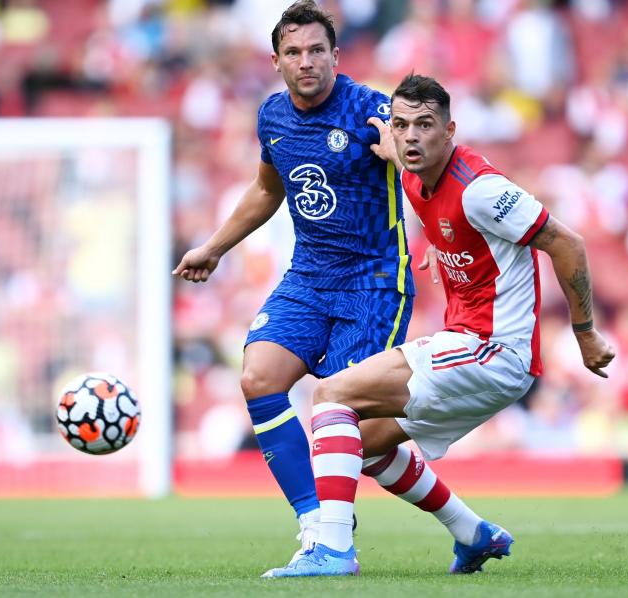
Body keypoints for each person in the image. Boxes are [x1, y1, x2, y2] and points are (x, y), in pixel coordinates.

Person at [264, 74, 616, 577]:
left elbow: (567, 244)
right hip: (474, 349)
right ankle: (473, 533)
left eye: (424, 125)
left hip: (493, 351)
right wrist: (440, 244)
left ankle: (333, 549)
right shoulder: (410, 165)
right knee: (359, 444)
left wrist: (584, 335)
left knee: (331, 396)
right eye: (402, 124)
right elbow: (400, 160)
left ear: (450, 131)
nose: (410, 136)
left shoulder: (481, 190)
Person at [172, 0, 415, 568]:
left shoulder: (374, 110)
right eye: (293, 52)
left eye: (316, 51)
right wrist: (213, 247)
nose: (306, 62)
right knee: (258, 376)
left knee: (350, 422)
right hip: (309, 277)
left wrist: (402, 160)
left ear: (336, 55)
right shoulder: (273, 117)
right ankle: (318, 524)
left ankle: (460, 521)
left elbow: (428, 163)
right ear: (276, 61)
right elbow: (266, 190)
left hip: (373, 283)